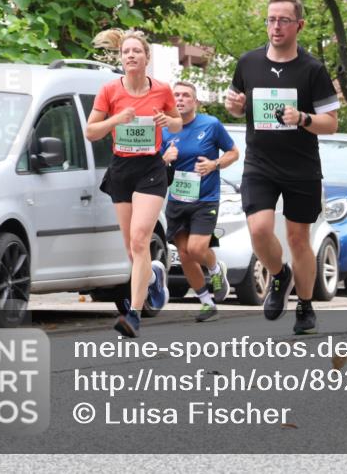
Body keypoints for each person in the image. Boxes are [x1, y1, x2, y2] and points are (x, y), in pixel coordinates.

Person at [225, 0, 340, 335]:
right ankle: (279, 276)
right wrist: (235, 105)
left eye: (283, 20)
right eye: (271, 19)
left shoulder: (313, 69)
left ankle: (305, 305)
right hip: (260, 163)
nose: (276, 26)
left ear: (298, 25)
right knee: (259, 229)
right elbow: (236, 108)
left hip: (301, 166)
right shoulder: (248, 63)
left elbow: (330, 122)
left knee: (299, 239)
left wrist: (302, 117)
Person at [86, 30, 181, 337]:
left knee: (141, 239)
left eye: (136, 52)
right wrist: (117, 120)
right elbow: (91, 132)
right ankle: (153, 275)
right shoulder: (109, 91)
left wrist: (168, 123)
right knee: (131, 247)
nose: (130, 56)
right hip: (121, 169)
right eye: (126, 52)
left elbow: (178, 121)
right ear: (121, 57)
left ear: (146, 57)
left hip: (151, 168)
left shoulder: (162, 90)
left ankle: (134, 314)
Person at [160, 81, 239, 322]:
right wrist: (165, 157)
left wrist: (214, 164)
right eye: (176, 95)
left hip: (205, 199)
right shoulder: (164, 130)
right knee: (184, 255)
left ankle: (216, 269)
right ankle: (206, 302)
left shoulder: (211, 125)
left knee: (196, 249)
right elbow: (154, 165)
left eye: (186, 95)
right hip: (176, 198)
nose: (181, 99)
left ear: (195, 101)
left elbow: (234, 152)